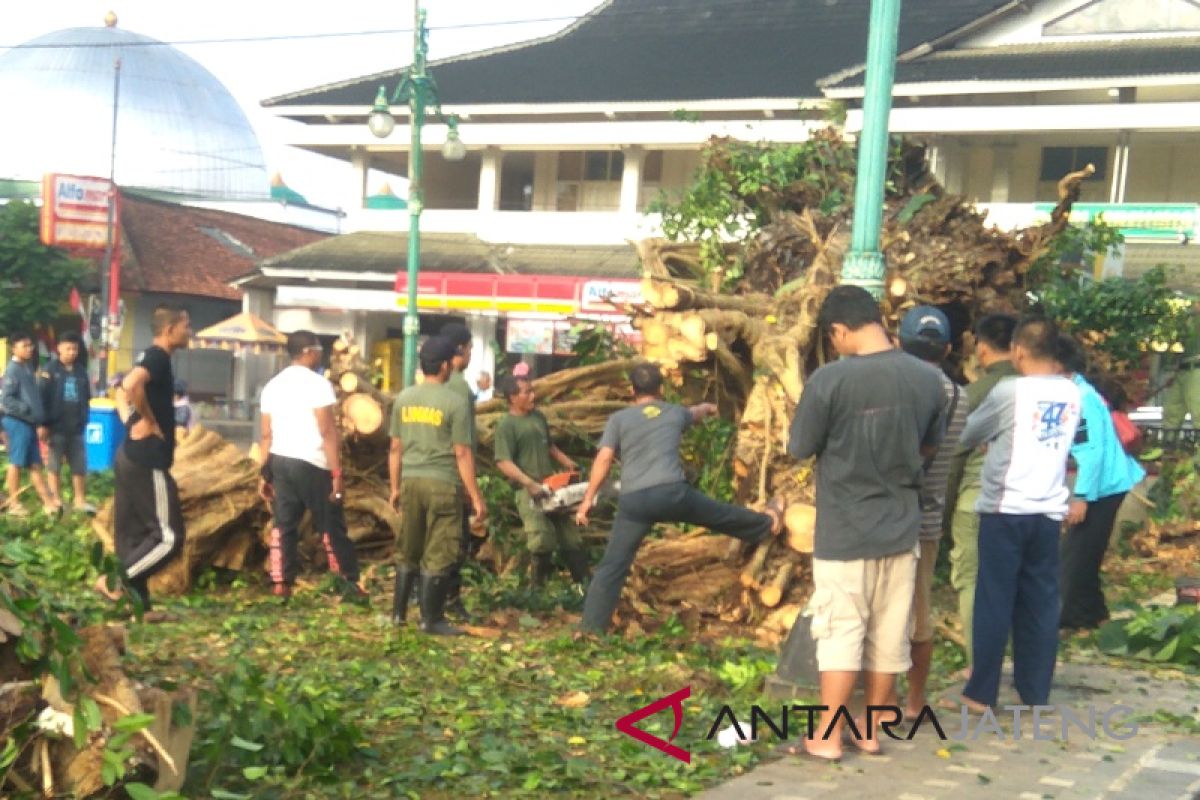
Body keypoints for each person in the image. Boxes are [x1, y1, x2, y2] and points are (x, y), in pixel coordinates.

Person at [786, 286, 945, 760]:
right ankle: (872, 729)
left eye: (832, 337)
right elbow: (928, 447)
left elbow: (800, 447)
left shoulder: (829, 381)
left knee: (841, 630)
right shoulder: (926, 378)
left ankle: (829, 737)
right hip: (901, 528)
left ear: (839, 329)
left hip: (845, 527)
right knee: (889, 629)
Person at [576, 362, 784, 633]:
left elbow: (603, 458)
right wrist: (710, 408)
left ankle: (590, 630)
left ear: (631, 390)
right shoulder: (673, 413)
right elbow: (694, 413)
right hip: (671, 493)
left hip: (635, 501)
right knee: (717, 514)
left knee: (613, 565)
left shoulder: (619, 420)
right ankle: (767, 525)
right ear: (661, 390)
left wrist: (587, 499)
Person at [957, 316, 1081, 711]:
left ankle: (980, 692)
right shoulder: (1071, 392)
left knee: (995, 597)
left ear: (1018, 352)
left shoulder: (1010, 391)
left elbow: (967, 433)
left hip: (1004, 507)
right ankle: (1034, 689)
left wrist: (993, 440)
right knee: (1041, 600)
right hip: (1047, 508)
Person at [895, 306, 969, 720]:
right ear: (947, 349)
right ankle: (914, 701)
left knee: (884, 613)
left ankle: (879, 700)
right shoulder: (961, 396)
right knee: (920, 613)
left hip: (890, 517)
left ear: (898, 343)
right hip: (928, 519)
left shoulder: (899, 390)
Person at [387, 336, 487, 636]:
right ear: (445, 366)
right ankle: (431, 619)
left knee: (409, 546)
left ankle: (398, 614)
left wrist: (394, 487)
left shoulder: (403, 398)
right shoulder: (453, 402)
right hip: (442, 482)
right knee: (440, 549)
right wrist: (475, 495)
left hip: (410, 481)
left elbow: (395, 448)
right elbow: (462, 452)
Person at [257, 330, 366, 602]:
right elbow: (328, 431)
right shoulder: (318, 385)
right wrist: (337, 473)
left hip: (280, 461)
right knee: (330, 523)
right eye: (319, 348)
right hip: (313, 462)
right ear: (307, 351)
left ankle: (281, 583)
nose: (321, 354)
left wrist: (264, 474)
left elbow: (266, 435)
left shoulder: (272, 386)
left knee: (284, 525)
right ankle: (346, 581)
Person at [98, 306, 192, 616]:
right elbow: (129, 385)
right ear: (169, 330)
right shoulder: (158, 357)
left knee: (134, 534)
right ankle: (115, 583)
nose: (189, 332)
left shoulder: (149, 356)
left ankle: (137, 605)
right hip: (147, 458)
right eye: (185, 326)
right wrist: (144, 422)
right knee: (168, 537)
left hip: (131, 456)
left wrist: (132, 422)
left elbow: (124, 387)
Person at [1054, 334, 1145, 631]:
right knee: (1086, 552)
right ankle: (1093, 615)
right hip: (1110, 481)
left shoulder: (1079, 398)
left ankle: (1067, 618)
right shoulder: (1083, 391)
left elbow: (1090, 452)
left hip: (1104, 484)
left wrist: (1081, 497)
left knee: (1074, 556)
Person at [945, 313, 1018, 671]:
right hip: (1027, 503)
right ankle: (1023, 663)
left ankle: (980, 668)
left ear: (982, 349)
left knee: (972, 580)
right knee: (1016, 581)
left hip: (977, 499)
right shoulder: (1043, 385)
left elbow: (953, 455)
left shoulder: (976, 394)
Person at [493, 374, 589, 586]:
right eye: (526, 392)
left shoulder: (538, 417)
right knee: (541, 540)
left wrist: (568, 463)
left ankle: (583, 586)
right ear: (512, 398)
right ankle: (538, 590)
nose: (532, 395)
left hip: (553, 487)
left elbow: (550, 447)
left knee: (572, 537)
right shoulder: (507, 426)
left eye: (532, 390)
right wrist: (529, 483)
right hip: (529, 492)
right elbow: (503, 461)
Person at [439, 322, 478, 618]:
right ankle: (449, 599)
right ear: (460, 349)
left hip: (427, 473)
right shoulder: (458, 387)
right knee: (455, 541)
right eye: (470, 347)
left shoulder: (429, 382)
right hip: (452, 475)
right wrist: (471, 490)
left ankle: (419, 595)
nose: (471, 353)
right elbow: (462, 446)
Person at [1, 331, 59, 516]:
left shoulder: (27, 368)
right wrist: (26, 410)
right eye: (24, 346)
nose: (29, 349)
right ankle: (14, 503)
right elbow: (7, 399)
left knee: (35, 464)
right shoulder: (12, 370)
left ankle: (49, 503)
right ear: (14, 348)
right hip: (17, 422)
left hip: (30, 424)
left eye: (30, 345)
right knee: (16, 463)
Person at [42, 332, 95, 514]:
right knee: (54, 465)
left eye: (75, 349)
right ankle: (55, 499)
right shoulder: (50, 370)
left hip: (76, 428)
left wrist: (84, 418)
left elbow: (87, 397)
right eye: (68, 348)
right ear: (59, 349)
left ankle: (79, 500)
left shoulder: (81, 372)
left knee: (79, 465)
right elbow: (43, 398)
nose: (72, 352)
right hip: (56, 427)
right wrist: (43, 424)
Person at [1161, 297, 1200, 433]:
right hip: (1183, 367)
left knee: (1198, 410)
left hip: (1197, 368)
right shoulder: (1188, 320)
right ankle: (1168, 445)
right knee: (1172, 410)